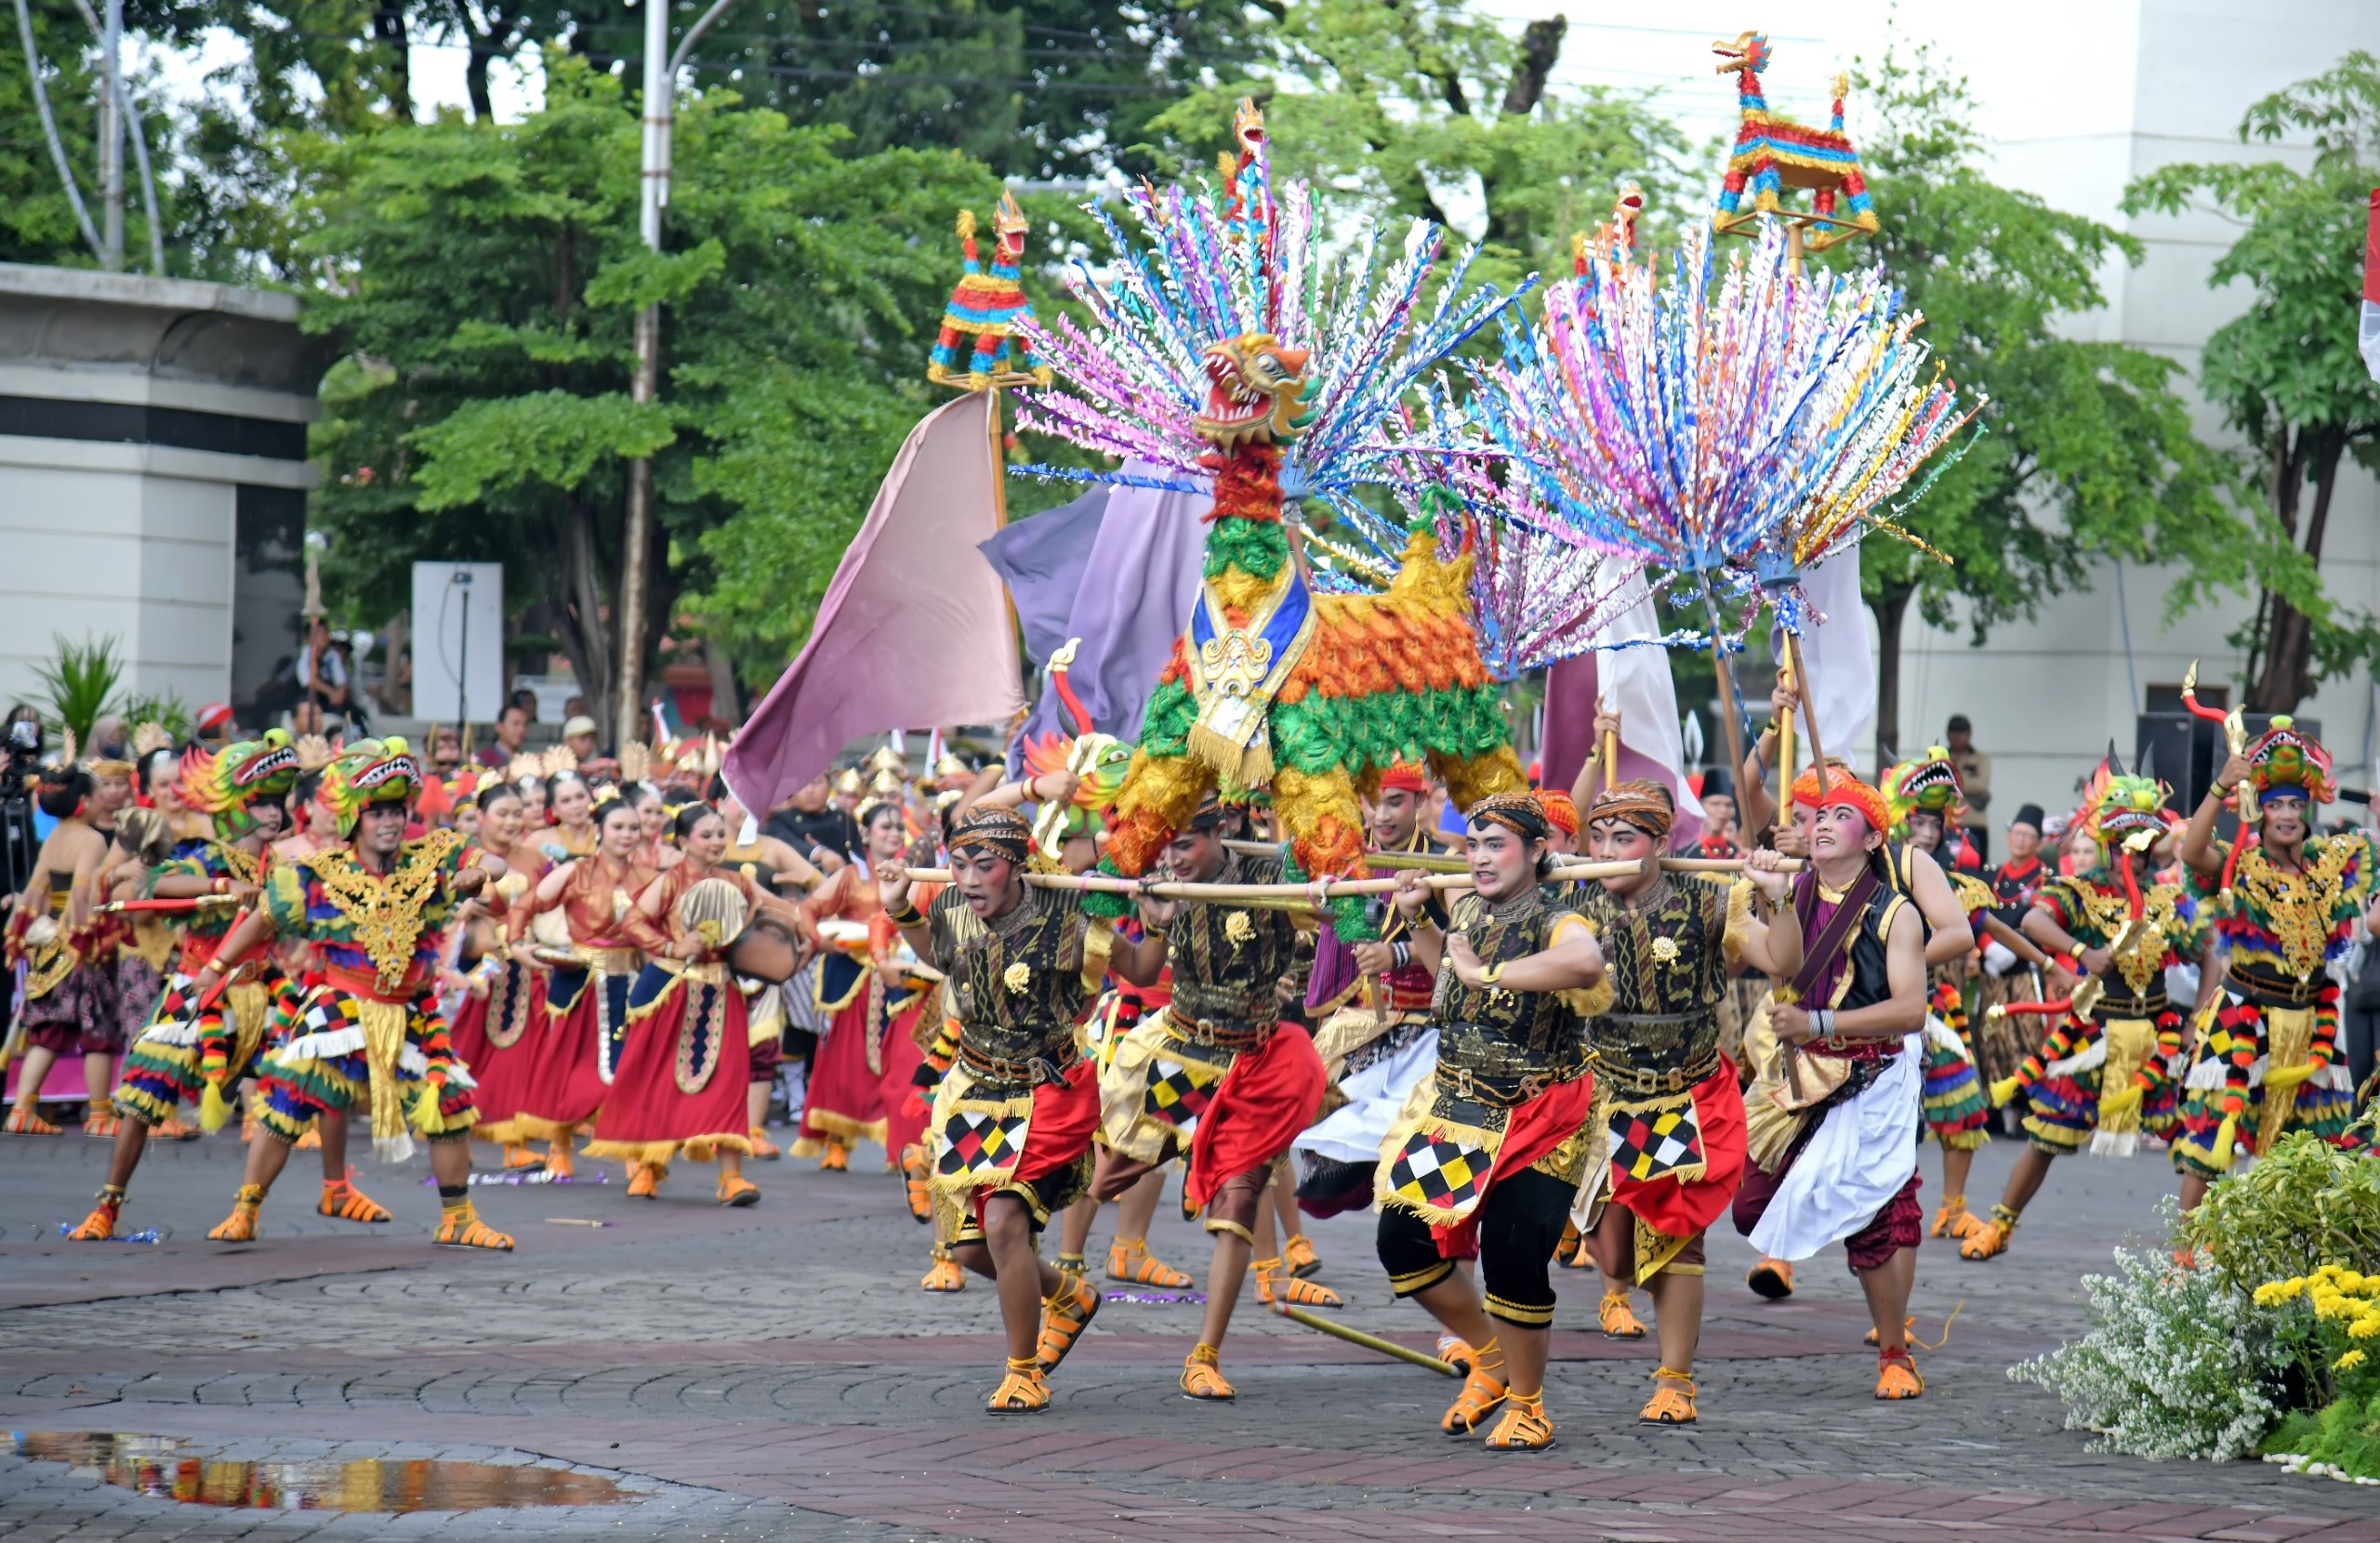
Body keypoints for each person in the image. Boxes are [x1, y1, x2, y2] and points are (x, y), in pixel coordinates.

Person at [198, 739, 513, 1249]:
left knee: (449, 1103)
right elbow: (263, 919)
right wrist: (215, 967)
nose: (389, 822)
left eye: (396, 811)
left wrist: (481, 872)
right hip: (338, 1007)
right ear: (353, 819)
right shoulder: (318, 873)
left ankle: (458, 1219)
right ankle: (245, 1210)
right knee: (286, 1106)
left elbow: (495, 862)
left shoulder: (433, 854)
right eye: (376, 813)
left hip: (409, 1009)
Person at [1372, 793, 1607, 1450]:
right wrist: (1419, 920)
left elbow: (1586, 963)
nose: (1478, 857)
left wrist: (1491, 972)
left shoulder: (1560, 918)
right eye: (1473, 845)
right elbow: (1451, 982)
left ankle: (1529, 1405)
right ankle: (1491, 1356)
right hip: (1462, 1111)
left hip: (1542, 1115)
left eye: (1496, 845)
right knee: (1402, 1241)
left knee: (1512, 1250)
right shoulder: (1469, 909)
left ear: (1536, 851)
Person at [1099, 792, 1328, 1401]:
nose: (1174, 858)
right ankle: (1065, 1286)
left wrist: (1323, 880)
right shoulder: (1162, 883)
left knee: (1238, 1204)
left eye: (1185, 845)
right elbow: (1140, 970)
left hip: (1250, 1065)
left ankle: (1205, 1355)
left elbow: (1328, 913)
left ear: (1221, 829)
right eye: (1165, 846)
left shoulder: (1268, 876)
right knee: (1101, 1176)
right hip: (1177, 1055)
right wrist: (1147, 919)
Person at [882, 805, 1104, 1413]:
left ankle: (1023, 1372)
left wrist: (1152, 922)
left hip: (1044, 1091)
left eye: (985, 865)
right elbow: (941, 957)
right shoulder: (954, 907)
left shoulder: (1065, 911)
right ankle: (1069, 1295)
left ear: (1018, 866)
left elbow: (1136, 968)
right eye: (959, 864)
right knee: (969, 1250)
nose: (970, 878)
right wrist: (899, 909)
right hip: (976, 1089)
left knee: (1005, 1223)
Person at [1731, 768, 1933, 1401]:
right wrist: (1760, 898)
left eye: (1841, 816)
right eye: (1820, 814)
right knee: (1750, 1207)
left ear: (1872, 840)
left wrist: (1818, 1021)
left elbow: (1911, 1010)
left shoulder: (1895, 912)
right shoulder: (1793, 890)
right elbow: (1763, 957)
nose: (1822, 822)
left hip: (1870, 1077)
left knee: (1873, 1223)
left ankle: (1895, 1354)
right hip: (1798, 1073)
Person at [69, 734, 312, 1239]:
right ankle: (108, 1206)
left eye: (277, 803)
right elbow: (156, 885)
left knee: (288, 1101)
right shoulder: (206, 855)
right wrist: (222, 886)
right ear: (236, 807)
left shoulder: (284, 868)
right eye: (261, 803)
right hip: (197, 989)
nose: (272, 813)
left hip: (262, 995)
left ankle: (247, 1212)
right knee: (142, 1098)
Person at [1962, 772, 2202, 1259]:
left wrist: (2197, 1015)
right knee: (2046, 1136)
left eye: (2142, 846)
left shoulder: (2166, 896)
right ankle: (2000, 1225)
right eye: (2125, 845)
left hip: (2156, 1036)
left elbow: (2209, 950)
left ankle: (2191, 1250)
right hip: (2094, 1033)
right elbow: (2033, 919)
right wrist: (2080, 953)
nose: (2134, 856)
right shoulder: (2081, 889)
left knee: (2196, 1141)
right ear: (2108, 844)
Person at [1569, 782, 1751, 1427]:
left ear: (1660, 842)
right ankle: (1611, 1279)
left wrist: (1778, 900)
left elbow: (1778, 957)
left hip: (1680, 1094)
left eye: (1625, 839)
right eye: (1598, 838)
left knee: (1677, 1242)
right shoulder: (1572, 902)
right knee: (1614, 1255)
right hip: (1601, 1093)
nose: (1607, 851)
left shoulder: (1706, 900)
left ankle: (1676, 1381)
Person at [2171, 717, 2378, 1205]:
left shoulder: (2332, 865)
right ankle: (2187, 1250)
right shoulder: (2240, 866)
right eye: (2275, 805)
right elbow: (2192, 852)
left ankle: (2285, 1246)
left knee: (2313, 1150)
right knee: (2210, 1144)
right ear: (2258, 810)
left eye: (2295, 804)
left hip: (2311, 1023)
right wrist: (2221, 784)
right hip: (2242, 1015)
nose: (2287, 814)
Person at [584, 803, 807, 1204]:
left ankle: (731, 1177)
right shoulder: (670, 880)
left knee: (728, 1082)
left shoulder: (738, 882)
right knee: (655, 1080)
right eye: (707, 835)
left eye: (721, 834)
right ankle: (648, 1166)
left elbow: (782, 910)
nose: (717, 842)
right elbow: (633, 921)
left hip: (721, 991)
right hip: (670, 992)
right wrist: (672, 946)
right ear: (684, 842)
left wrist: (804, 935)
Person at [508, 794, 659, 1176]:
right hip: (580, 984)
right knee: (567, 1067)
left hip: (631, 982)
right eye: (618, 827)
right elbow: (526, 905)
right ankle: (559, 1148)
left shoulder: (649, 878)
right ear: (599, 831)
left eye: (633, 828)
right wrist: (516, 944)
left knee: (633, 1070)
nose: (627, 834)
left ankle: (635, 1156)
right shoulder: (575, 872)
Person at [790, 785, 936, 1172]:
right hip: (854, 981)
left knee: (899, 1065)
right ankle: (837, 1142)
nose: (894, 833)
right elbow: (807, 910)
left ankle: (900, 1145)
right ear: (866, 834)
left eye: (898, 827)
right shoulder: (850, 876)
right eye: (885, 827)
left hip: (901, 981)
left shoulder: (916, 875)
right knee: (844, 1062)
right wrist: (821, 941)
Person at [4, 766, 120, 1134]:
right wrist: (89, 937)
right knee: (98, 1031)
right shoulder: (92, 840)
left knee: (49, 1032)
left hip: (48, 945)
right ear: (84, 801)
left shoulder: (54, 837)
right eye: (99, 794)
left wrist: (22, 934)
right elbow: (84, 893)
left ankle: (22, 1109)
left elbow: (35, 890)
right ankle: (99, 1116)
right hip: (78, 945)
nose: (104, 800)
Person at [446, 781, 550, 1173]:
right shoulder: (461, 857)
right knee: (464, 1053)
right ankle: (455, 1137)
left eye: (517, 814)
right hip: (474, 968)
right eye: (502, 813)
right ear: (481, 816)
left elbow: (550, 906)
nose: (511, 821)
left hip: (524, 970)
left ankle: (513, 1142)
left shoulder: (536, 859)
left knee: (520, 1057)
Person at [764, 772, 863, 872]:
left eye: (816, 782)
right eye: (802, 784)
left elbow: (860, 861)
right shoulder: (781, 820)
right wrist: (819, 853)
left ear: (830, 785)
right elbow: (786, 843)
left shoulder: (844, 820)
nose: (809, 790)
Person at [1944, 716, 1992, 864]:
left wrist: (1951, 782)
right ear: (1948, 734)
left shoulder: (1981, 758)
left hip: (1975, 823)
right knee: (1947, 866)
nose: (1957, 736)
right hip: (1947, 823)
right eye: (1954, 732)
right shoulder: (1941, 758)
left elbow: (1981, 784)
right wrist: (1966, 782)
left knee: (1977, 866)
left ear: (1969, 734)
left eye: (1961, 732)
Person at [477, 702, 533, 772]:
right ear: (499, 726)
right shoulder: (483, 758)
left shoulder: (527, 761)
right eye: (515, 724)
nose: (521, 729)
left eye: (525, 725)